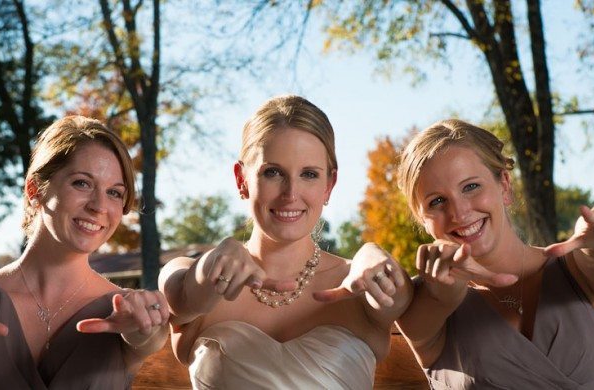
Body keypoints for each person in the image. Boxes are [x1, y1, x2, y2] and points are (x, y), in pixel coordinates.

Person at [159, 95, 412, 389]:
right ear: (241, 179)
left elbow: (402, 300)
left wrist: (375, 255)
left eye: (309, 174)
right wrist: (213, 263)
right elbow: (179, 295)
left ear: (329, 185)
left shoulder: (356, 284)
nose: (291, 193)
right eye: (273, 172)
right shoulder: (195, 278)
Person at [0, 116, 170, 389]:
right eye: (82, 183)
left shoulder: (123, 314)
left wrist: (146, 331)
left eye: (114, 193)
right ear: (35, 189)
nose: (99, 206)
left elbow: (149, 338)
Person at [394, 119, 594, 389]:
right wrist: (443, 292)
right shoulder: (425, 306)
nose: (459, 213)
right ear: (422, 219)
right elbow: (434, 304)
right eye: (437, 201)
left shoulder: (581, 272)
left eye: (471, 186)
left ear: (505, 186)